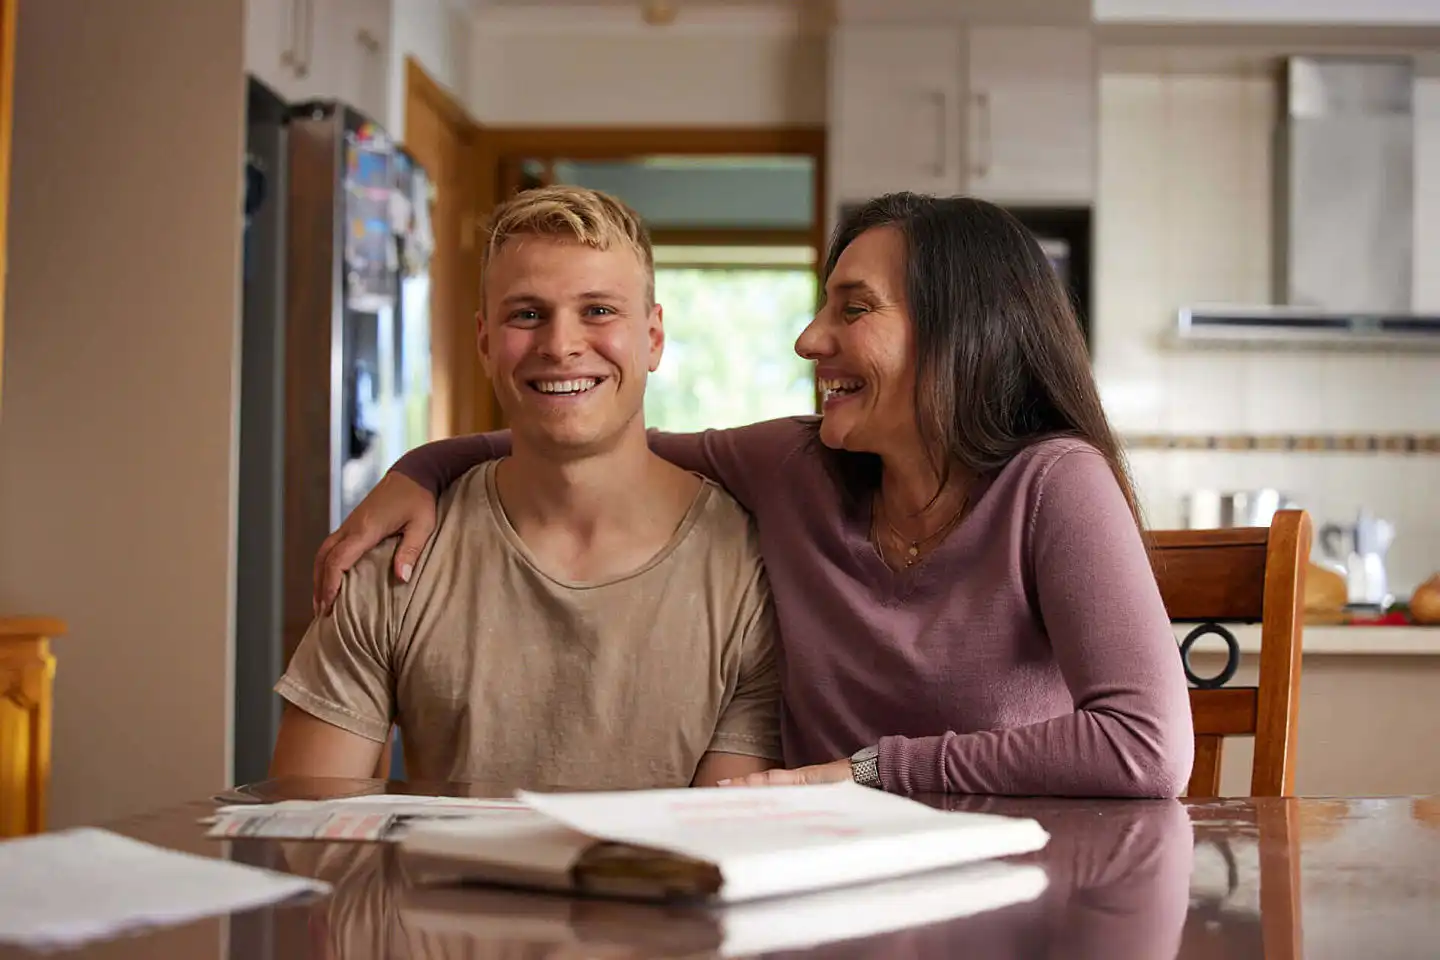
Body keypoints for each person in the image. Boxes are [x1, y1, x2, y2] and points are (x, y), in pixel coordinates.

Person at [312, 192, 1195, 798]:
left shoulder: (1054, 484)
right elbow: (597, 438)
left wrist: (866, 771)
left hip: (1015, 898)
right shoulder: (792, 467)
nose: (812, 340)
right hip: (824, 901)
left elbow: (1147, 746)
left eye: (853, 310)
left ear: (962, 333)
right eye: (823, 308)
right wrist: (421, 467)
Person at [271, 185, 783, 790]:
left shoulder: (750, 568)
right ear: (486, 342)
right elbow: (305, 829)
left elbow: (719, 841)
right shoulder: (394, 554)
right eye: (527, 314)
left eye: (597, 310)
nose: (560, 345)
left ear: (652, 338)